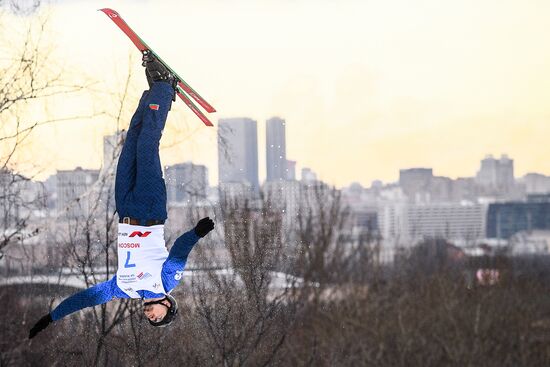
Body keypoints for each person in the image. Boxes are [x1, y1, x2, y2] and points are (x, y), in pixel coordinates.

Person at [28, 53, 214, 339]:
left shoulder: (123, 287)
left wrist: (52, 317)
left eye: (150, 320)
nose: (151, 317)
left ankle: (153, 89)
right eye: (158, 319)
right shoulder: (166, 283)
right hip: (151, 209)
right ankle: (165, 87)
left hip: (125, 209)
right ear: (168, 306)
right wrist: (197, 233)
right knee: (147, 146)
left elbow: (87, 299)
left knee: (132, 143)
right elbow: (178, 252)